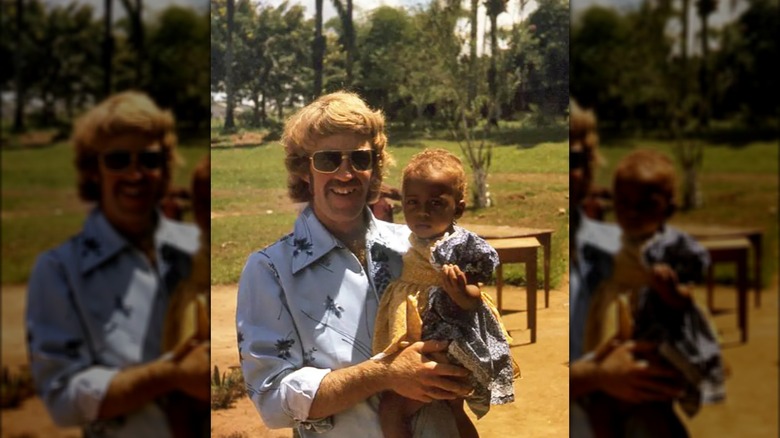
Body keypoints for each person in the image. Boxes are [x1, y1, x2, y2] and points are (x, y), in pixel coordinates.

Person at [236, 91, 472, 438]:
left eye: (359, 159)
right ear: (304, 169)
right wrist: (383, 374)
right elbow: (272, 399)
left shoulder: (418, 247)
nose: (346, 174)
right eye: (329, 160)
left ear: (374, 166)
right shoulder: (271, 271)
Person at [25, 91, 210, 437]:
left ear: (165, 166)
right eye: (118, 160)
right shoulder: (60, 270)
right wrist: (170, 374)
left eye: (150, 160)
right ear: (93, 169)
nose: (135, 174)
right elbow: (62, 397)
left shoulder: (196, 248)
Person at [372, 148, 517, 438]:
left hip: (448, 339)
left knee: (392, 407)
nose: (422, 212)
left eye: (436, 204)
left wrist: (461, 291)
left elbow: (476, 298)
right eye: (413, 203)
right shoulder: (413, 238)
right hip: (433, 336)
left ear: (458, 209)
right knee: (452, 407)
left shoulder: (458, 246)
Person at [582, 149, 726, 437]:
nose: (633, 213)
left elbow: (688, 296)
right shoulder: (614, 237)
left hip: (657, 334)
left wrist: (670, 290)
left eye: (645, 205)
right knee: (599, 406)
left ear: (668, 209)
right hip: (614, 326)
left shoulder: (672, 246)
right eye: (625, 204)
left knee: (651, 403)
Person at [567, 100, 685, 438]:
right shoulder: (484, 262)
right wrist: (596, 375)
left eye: (573, 160)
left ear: (590, 166)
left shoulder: (632, 250)